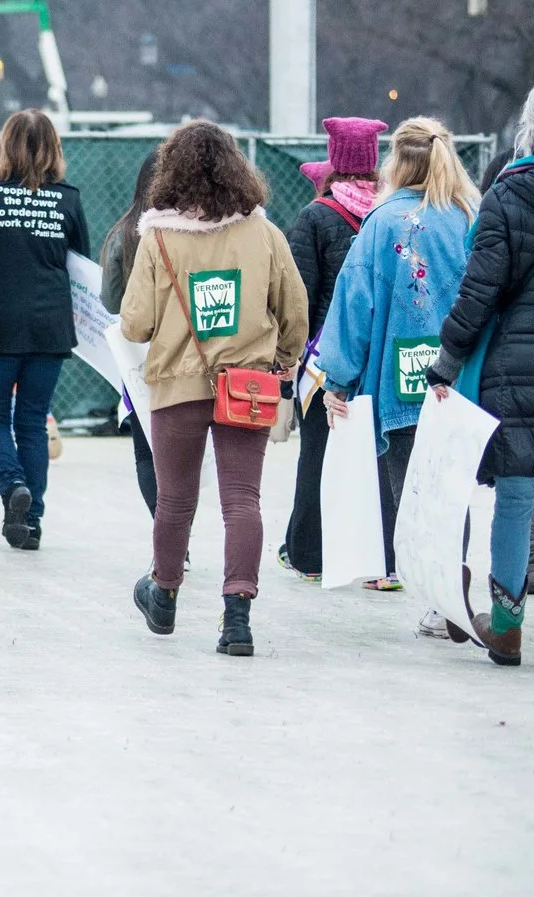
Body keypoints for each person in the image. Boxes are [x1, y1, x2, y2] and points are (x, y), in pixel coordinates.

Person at [120, 121, 307, 656]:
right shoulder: (265, 234)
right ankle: (237, 617)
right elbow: (294, 311)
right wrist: (283, 361)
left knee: (175, 502)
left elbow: (134, 323)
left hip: (177, 386)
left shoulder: (157, 237)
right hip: (248, 386)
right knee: (242, 500)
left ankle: (164, 595)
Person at [311, 116, 475, 620]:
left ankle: (437, 603)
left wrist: (336, 379)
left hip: (401, 384)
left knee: (413, 494)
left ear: (398, 162)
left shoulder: (382, 223)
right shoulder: (469, 216)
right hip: (462, 379)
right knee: (454, 491)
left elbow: (353, 305)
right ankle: (455, 587)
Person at [426, 80, 534, 665]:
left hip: (519, 366)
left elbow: (478, 292)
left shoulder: (507, 195)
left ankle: (506, 625)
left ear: (531, 125)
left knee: (515, 488)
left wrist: (448, 360)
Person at [0, 109, 90, 551]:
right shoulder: (68, 199)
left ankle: (13, 484)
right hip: (50, 326)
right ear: (54, 146)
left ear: (5, 145)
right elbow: (80, 262)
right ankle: (31, 521)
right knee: (32, 422)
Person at [279, 117, 388, 581]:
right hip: (379, 357)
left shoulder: (315, 217)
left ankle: (308, 554)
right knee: (380, 458)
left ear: (334, 157)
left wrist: (291, 359)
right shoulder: (389, 212)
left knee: (317, 455)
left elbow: (300, 296)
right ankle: (383, 557)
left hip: (327, 360)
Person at [97, 150, 168, 516]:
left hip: (137, 355)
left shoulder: (123, 233)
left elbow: (110, 301)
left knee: (145, 448)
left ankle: (166, 530)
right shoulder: (196, 230)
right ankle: (178, 527)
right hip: (186, 352)